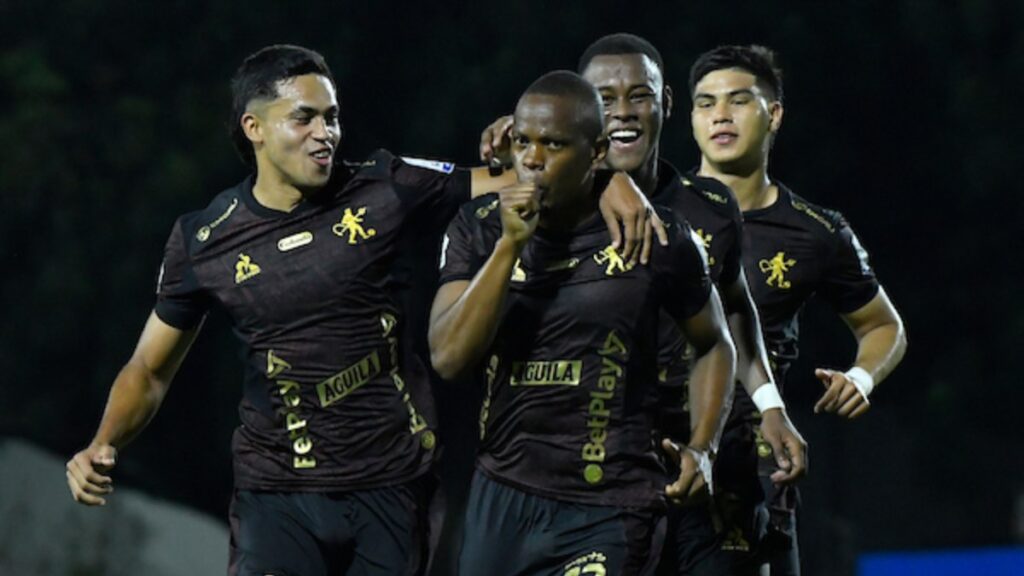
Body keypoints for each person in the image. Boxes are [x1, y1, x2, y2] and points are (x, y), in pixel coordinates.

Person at [64, 45, 661, 576]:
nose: (325, 133)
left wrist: (611, 178)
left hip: (393, 486)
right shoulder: (204, 240)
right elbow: (150, 369)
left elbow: (532, 182)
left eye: (332, 117)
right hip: (276, 493)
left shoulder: (386, 186)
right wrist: (102, 441)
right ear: (254, 127)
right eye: (304, 117)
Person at [481, 33, 808, 575]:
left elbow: (735, 311)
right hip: (585, 479)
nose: (623, 112)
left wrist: (769, 403)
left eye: (640, 96)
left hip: (699, 468)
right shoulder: (540, 199)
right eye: (603, 100)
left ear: (666, 103)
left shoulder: (711, 208)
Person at [430, 70, 736, 576]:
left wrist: (704, 447)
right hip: (501, 496)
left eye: (552, 145)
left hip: (610, 503)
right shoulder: (478, 228)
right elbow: (448, 358)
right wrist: (510, 246)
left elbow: (715, 343)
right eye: (522, 142)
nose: (532, 159)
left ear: (596, 153)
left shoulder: (655, 236)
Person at [688, 44, 908, 575]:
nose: (720, 115)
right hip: (657, 458)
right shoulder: (651, 208)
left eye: (739, 100)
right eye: (706, 103)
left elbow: (884, 325)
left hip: (757, 470)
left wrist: (861, 377)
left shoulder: (816, 231)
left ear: (774, 114)